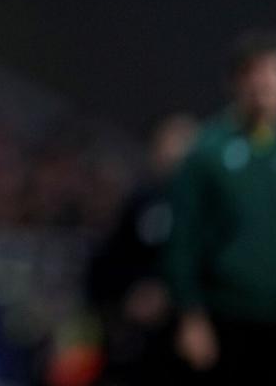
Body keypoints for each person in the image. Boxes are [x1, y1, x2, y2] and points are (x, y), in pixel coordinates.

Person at [165, 31, 276, 386]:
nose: (266, 84)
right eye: (256, 73)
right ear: (236, 81)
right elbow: (182, 236)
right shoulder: (208, 149)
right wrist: (189, 314)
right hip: (218, 317)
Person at [86, 112, 198, 385]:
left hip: (175, 344)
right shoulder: (141, 202)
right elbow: (108, 261)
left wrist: (169, 294)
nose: (173, 152)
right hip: (125, 336)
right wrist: (126, 295)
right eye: (167, 142)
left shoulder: (210, 216)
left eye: (184, 144)